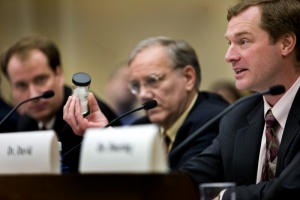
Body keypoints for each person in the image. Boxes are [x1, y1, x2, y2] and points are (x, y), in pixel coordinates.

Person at [179, 0, 300, 199]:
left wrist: (224, 197)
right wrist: (126, 152)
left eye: (243, 41)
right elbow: (192, 177)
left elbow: (289, 190)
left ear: (286, 43)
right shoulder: (238, 115)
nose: (229, 56)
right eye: (230, 43)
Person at [63, 36, 229, 170]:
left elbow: (185, 184)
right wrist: (107, 138)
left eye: (153, 80)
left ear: (188, 78)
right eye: (136, 85)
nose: (143, 94)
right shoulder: (140, 128)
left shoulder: (216, 120)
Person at [0, 34, 120, 173]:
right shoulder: (25, 124)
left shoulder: (91, 117)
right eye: (21, 85)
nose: (33, 95)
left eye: (40, 80)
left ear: (59, 74)